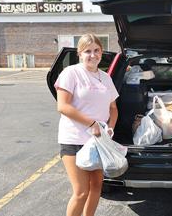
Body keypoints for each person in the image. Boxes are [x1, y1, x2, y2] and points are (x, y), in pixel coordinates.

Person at [55, 34, 119, 216]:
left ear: (101, 52)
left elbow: (113, 107)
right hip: (74, 139)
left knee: (96, 187)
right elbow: (63, 106)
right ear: (80, 54)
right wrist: (92, 123)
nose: (93, 55)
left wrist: (110, 127)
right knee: (81, 191)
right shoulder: (71, 73)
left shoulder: (106, 77)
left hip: (98, 141)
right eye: (87, 51)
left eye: (96, 50)